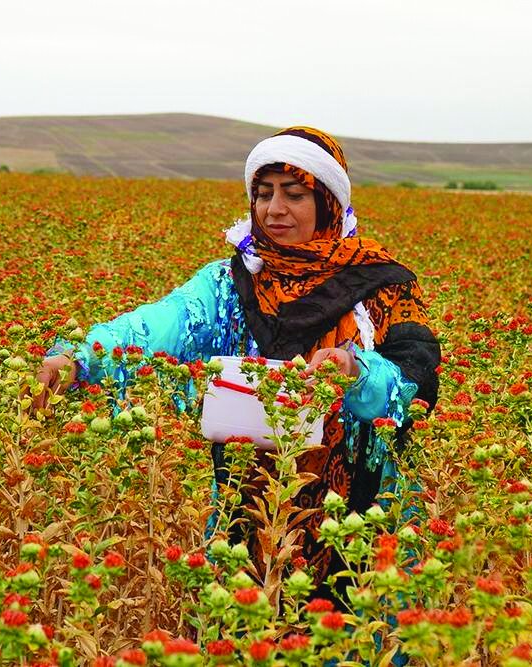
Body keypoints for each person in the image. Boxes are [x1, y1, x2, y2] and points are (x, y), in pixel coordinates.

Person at [32, 126, 441, 602]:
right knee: (240, 623)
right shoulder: (232, 281)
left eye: (294, 194)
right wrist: (79, 358)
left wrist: (357, 373)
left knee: (345, 632)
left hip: (356, 514)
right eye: (263, 194)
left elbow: (417, 378)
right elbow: (156, 326)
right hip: (244, 501)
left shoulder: (382, 285)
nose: (275, 209)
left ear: (328, 200)